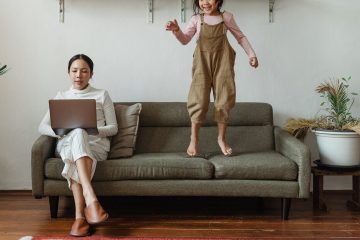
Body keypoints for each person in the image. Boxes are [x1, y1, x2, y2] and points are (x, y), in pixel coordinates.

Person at [38, 54, 118, 237]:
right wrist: (62, 131)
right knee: (77, 133)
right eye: (74, 71)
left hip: (95, 144)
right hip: (67, 143)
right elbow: (42, 126)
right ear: (68, 73)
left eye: (84, 71)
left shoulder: (102, 94)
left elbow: (113, 128)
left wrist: (91, 129)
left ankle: (80, 218)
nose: (78, 75)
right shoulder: (61, 96)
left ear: (91, 74)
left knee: (79, 136)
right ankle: (91, 199)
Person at [166, 0, 258, 157]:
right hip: (202, 64)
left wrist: (252, 54)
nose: (205, 3)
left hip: (223, 64)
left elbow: (240, 37)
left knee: (223, 100)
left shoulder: (226, 17)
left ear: (218, 1)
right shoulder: (196, 19)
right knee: (199, 101)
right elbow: (185, 39)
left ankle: (221, 139)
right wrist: (177, 31)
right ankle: (194, 139)